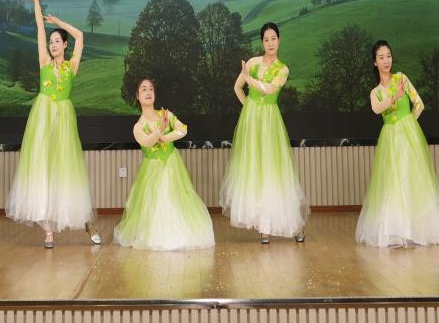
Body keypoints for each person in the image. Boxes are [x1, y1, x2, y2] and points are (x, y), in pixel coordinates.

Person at [4, 0, 99, 247]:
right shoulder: (44, 62)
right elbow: (38, 27)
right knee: (42, 171)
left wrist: (59, 23)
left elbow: (80, 36)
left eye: (57, 41)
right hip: (43, 120)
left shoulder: (72, 66)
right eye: (51, 41)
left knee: (66, 171)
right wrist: (36, 3)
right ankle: (48, 230)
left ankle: (87, 223)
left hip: (64, 120)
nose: (53, 44)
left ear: (65, 45)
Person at [355, 39, 439, 247]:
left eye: (388, 56)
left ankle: (417, 230)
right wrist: (393, 98)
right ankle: (395, 230)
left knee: (412, 178)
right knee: (393, 179)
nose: (386, 60)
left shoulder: (401, 78)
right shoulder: (375, 92)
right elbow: (376, 109)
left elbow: (419, 104)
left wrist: (408, 123)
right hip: (389, 138)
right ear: (375, 62)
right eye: (381, 57)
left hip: (408, 134)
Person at [220, 21, 309, 243]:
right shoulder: (252, 62)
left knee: (273, 168)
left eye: (273, 38)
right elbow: (237, 87)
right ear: (262, 42)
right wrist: (249, 108)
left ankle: (292, 225)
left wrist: (250, 79)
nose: (270, 43)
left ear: (279, 41)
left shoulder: (283, 69)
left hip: (270, 120)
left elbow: (269, 89)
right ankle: (263, 225)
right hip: (252, 121)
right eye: (266, 39)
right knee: (255, 168)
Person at [113, 76, 214, 251]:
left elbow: (183, 129)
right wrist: (158, 132)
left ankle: (179, 233)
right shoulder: (138, 126)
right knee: (157, 201)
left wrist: (165, 137)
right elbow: (147, 142)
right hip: (152, 169)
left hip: (172, 163)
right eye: (143, 89)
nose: (148, 92)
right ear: (137, 95)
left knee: (175, 198)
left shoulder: (166, 115)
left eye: (151, 89)